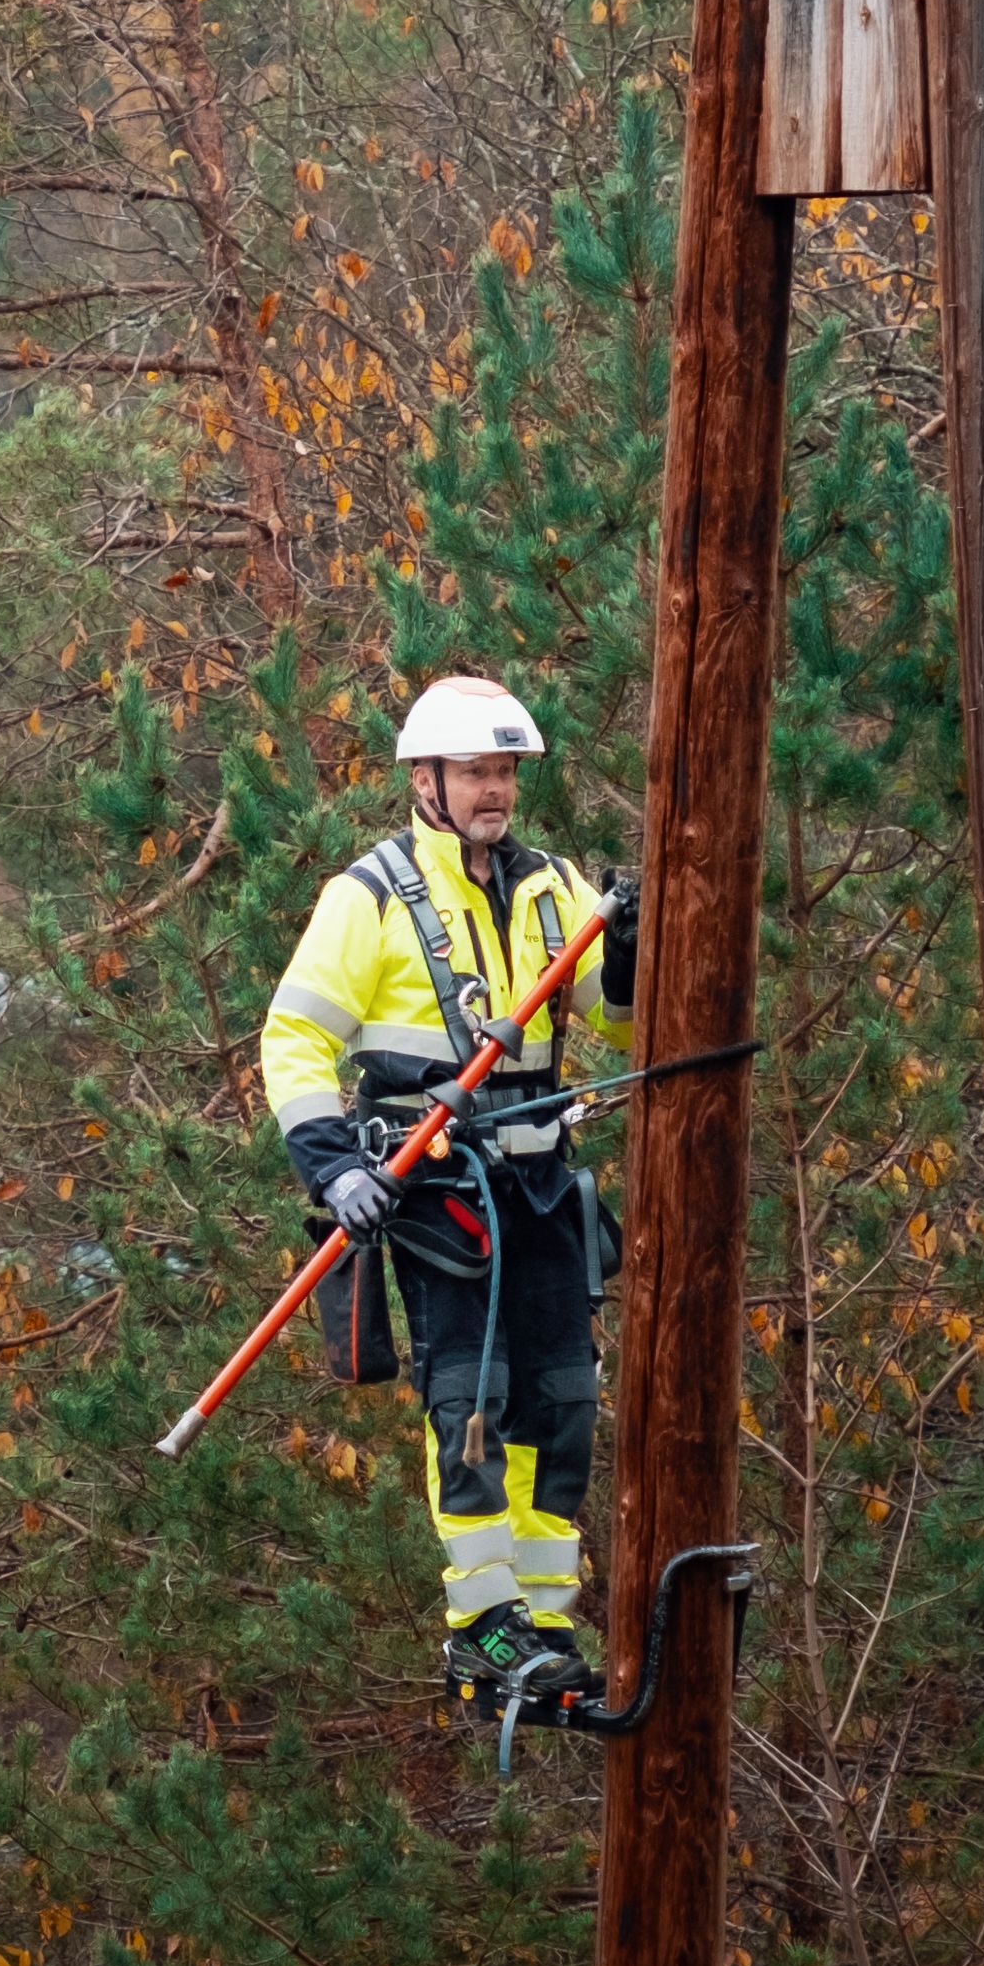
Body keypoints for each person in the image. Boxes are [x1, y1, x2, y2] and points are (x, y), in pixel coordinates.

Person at [259, 673, 633, 1691]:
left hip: (545, 1189)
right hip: (436, 1193)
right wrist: (336, 1168)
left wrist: (635, 945)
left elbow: (621, 1016)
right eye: (475, 770)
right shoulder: (368, 896)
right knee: (474, 1401)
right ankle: (483, 1623)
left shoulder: (558, 888)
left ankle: (545, 1626)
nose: (494, 789)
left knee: (561, 1400)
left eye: (505, 771)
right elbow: (294, 1039)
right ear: (424, 777)